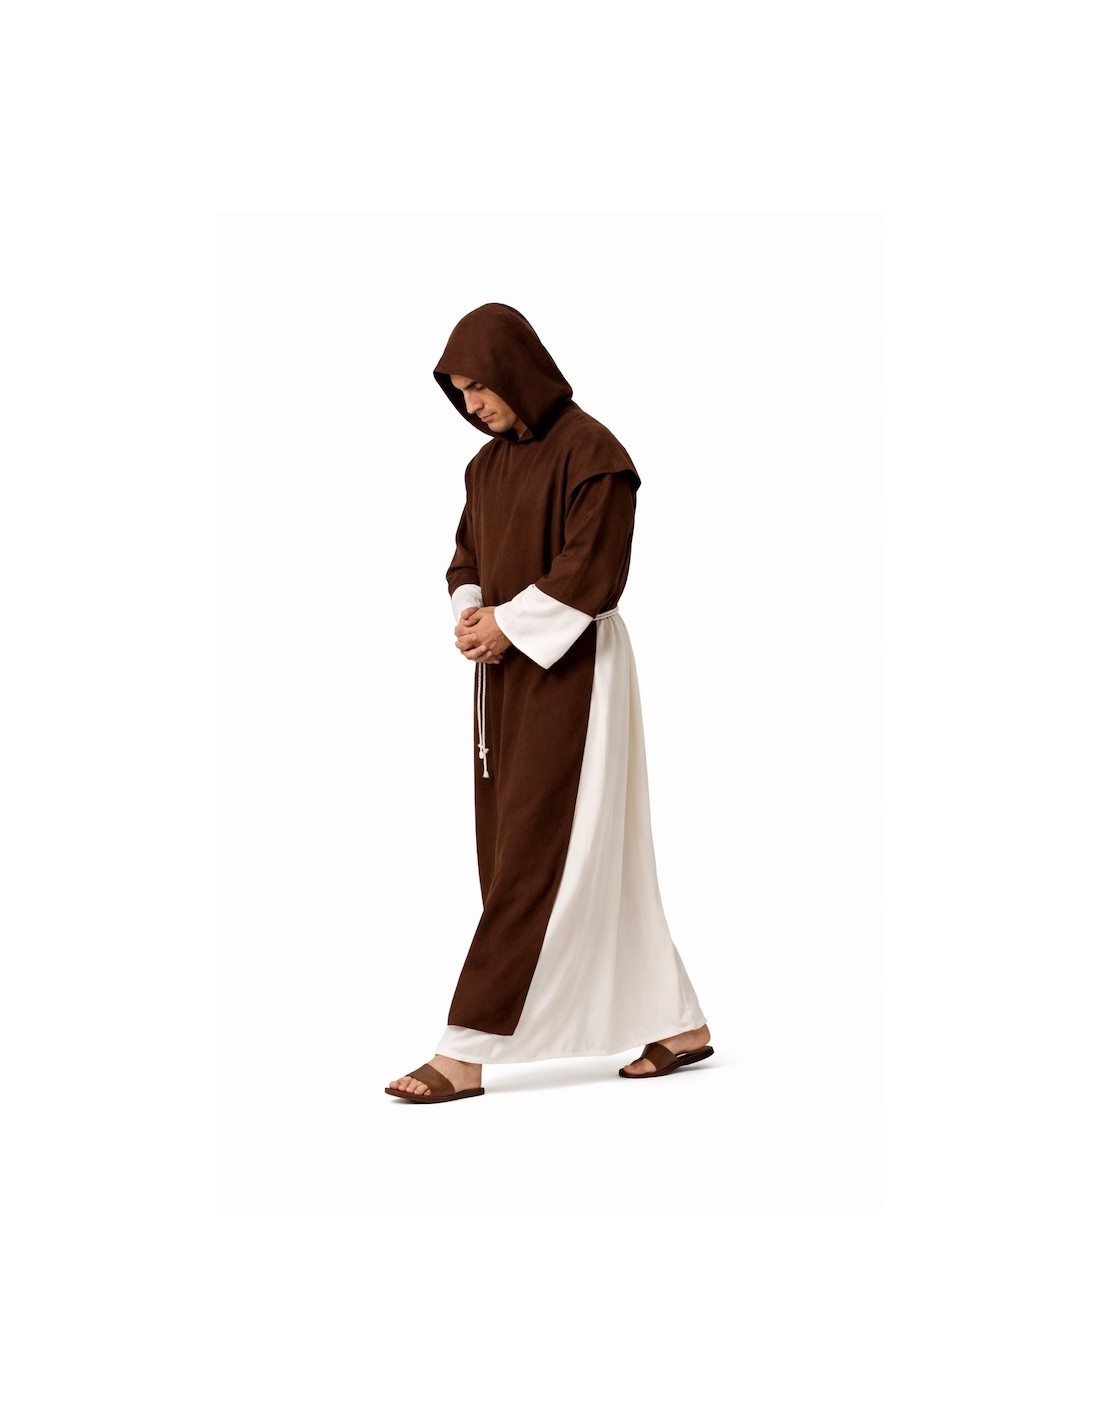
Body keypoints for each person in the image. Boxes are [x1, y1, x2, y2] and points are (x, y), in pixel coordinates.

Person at [385, 303, 712, 1103]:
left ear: (517, 370)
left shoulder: (595, 454)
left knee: (537, 854)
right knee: (551, 853)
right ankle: (678, 1023)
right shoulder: (484, 467)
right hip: (504, 675)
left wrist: (510, 623)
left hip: (576, 671)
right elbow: (466, 557)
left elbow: (594, 571)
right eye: (460, 392)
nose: (472, 405)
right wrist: (473, 612)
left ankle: (464, 1051)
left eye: (481, 386)